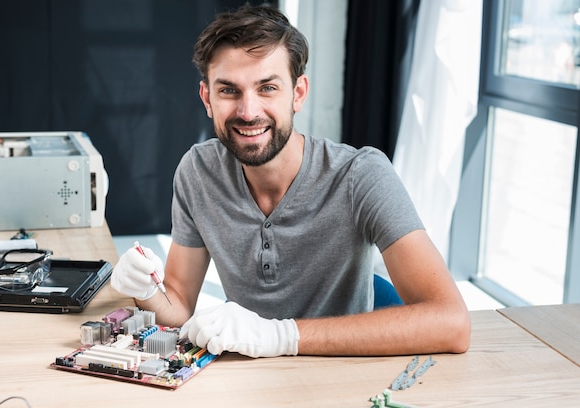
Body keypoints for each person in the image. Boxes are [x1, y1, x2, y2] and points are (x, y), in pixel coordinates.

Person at [111, 4, 471, 358]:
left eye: (267, 88)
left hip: (341, 380)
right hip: (249, 381)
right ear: (207, 98)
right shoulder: (197, 171)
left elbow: (450, 322)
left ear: (297, 93)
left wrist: (282, 336)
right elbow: (178, 306)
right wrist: (146, 289)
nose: (248, 112)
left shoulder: (361, 175)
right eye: (228, 90)